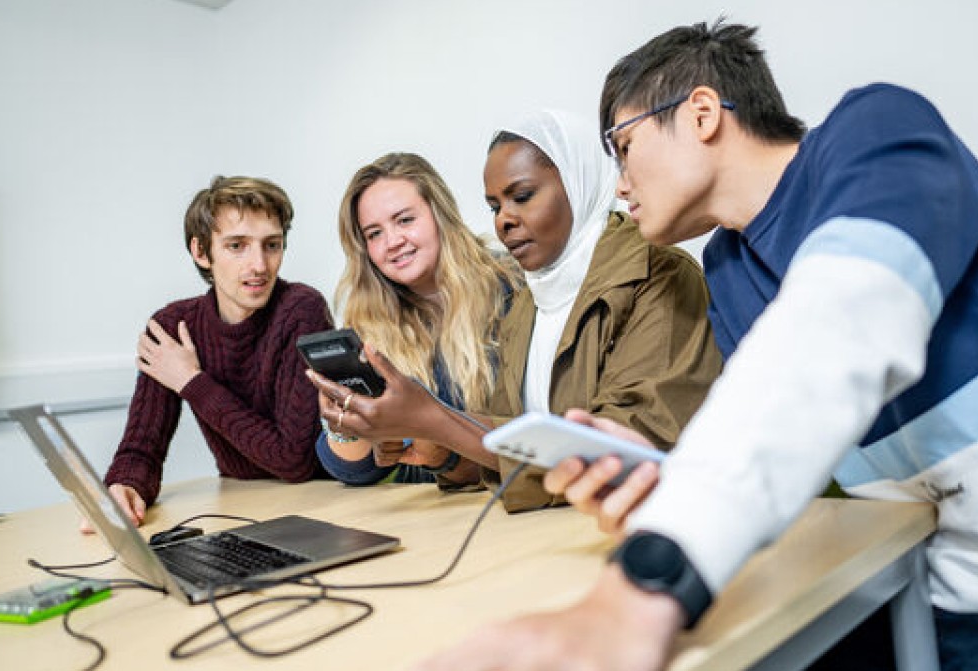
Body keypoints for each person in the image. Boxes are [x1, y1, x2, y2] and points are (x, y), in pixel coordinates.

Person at [412, 19, 978, 671]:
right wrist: (666, 483)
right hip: (906, 590)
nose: (619, 183)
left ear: (701, 112)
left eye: (623, 146)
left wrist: (653, 572)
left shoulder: (878, 129)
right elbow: (802, 453)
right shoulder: (730, 266)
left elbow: (837, 329)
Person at [310, 110, 723, 512]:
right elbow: (511, 436)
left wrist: (435, 421)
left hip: (642, 519)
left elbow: (622, 447)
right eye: (494, 207)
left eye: (522, 197)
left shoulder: (656, 273)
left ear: (578, 183)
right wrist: (443, 453)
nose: (505, 220)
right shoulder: (534, 298)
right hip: (554, 521)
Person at [98, 175, 334, 530]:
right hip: (240, 506)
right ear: (200, 251)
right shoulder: (172, 325)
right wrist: (126, 487)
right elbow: (140, 450)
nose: (259, 265)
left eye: (272, 245)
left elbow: (294, 460)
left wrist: (192, 381)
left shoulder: (301, 310)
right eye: (236, 246)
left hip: (320, 505)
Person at [313, 152, 518, 488]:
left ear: (440, 215)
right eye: (374, 233)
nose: (393, 242)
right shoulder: (369, 319)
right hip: (430, 514)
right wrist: (345, 423)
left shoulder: (509, 286)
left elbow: (528, 429)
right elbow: (357, 471)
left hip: (508, 503)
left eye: (405, 220)